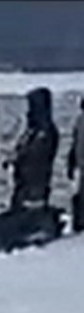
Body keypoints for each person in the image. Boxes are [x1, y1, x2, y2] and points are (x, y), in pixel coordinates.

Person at [8, 87, 59, 210]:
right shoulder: (32, 129)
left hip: (35, 183)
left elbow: (38, 154)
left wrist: (21, 156)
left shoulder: (45, 131)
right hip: (23, 181)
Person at [69, 98, 84, 232]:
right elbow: (74, 143)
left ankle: (79, 224)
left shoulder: (80, 120)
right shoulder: (80, 120)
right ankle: (79, 223)